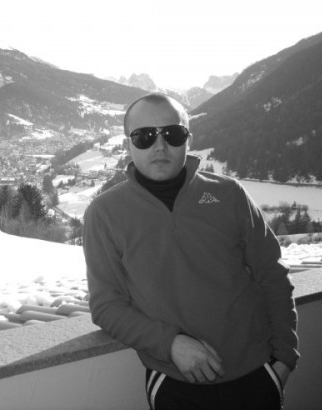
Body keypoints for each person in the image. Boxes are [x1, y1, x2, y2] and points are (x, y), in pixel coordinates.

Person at [83, 93, 298, 409]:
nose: (160, 146)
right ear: (128, 145)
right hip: (175, 383)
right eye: (144, 136)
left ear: (188, 140)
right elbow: (106, 307)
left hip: (257, 374)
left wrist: (285, 359)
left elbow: (272, 274)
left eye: (172, 133)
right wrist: (170, 344)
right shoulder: (104, 214)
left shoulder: (229, 194)